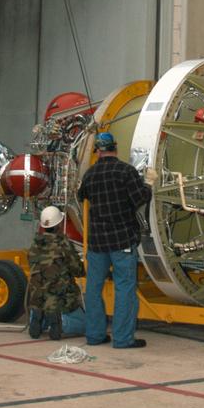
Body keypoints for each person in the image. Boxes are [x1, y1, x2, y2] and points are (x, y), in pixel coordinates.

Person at [77, 132, 153, 349]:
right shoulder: (126, 171)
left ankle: (94, 335)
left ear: (98, 151)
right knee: (125, 288)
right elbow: (141, 198)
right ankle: (123, 338)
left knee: (93, 288)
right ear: (115, 148)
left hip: (97, 243)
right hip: (122, 241)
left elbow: (81, 196)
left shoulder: (90, 174)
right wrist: (148, 184)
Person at [26, 205, 85, 340]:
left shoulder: (35, 244)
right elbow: (77, 269)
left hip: (37, 297)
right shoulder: (62, 243)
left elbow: (31, 263)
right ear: (59, 224)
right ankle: (60, 322)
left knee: (41, 301)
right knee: (86, 324)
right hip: (59, 298)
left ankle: (38, 319)